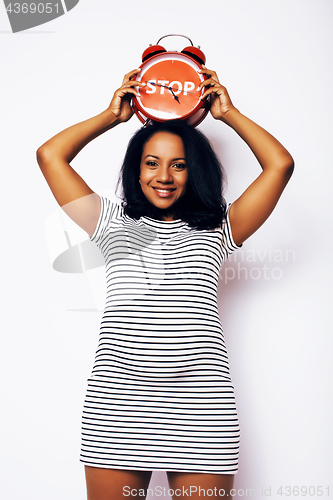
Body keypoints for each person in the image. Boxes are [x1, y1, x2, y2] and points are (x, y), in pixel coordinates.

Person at [37, 67, 294, 500]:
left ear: (195, 172)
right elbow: (50, 155)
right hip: (117, 407)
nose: (164, 176)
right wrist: (112, 116)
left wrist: (228, 113)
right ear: (135, 171)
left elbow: (280, 165)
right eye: (151, 163)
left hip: (202, 410)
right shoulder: (110, 222)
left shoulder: (219, 228)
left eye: (179, 165)